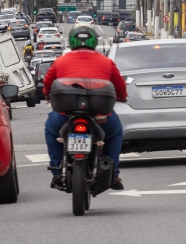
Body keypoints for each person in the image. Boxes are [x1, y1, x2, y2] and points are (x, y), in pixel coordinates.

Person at [43, 26, 128, 191]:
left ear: (72, 41)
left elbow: (47, 82)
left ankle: (57, 170)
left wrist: (47, 95)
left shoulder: (60, 61)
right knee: (116, 132)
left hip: (64, 116)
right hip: (100, 117)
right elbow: (120, 86)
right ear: (94, 42)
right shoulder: (106, 62)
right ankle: (113, 172)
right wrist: (122, 97)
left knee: (51, 130)